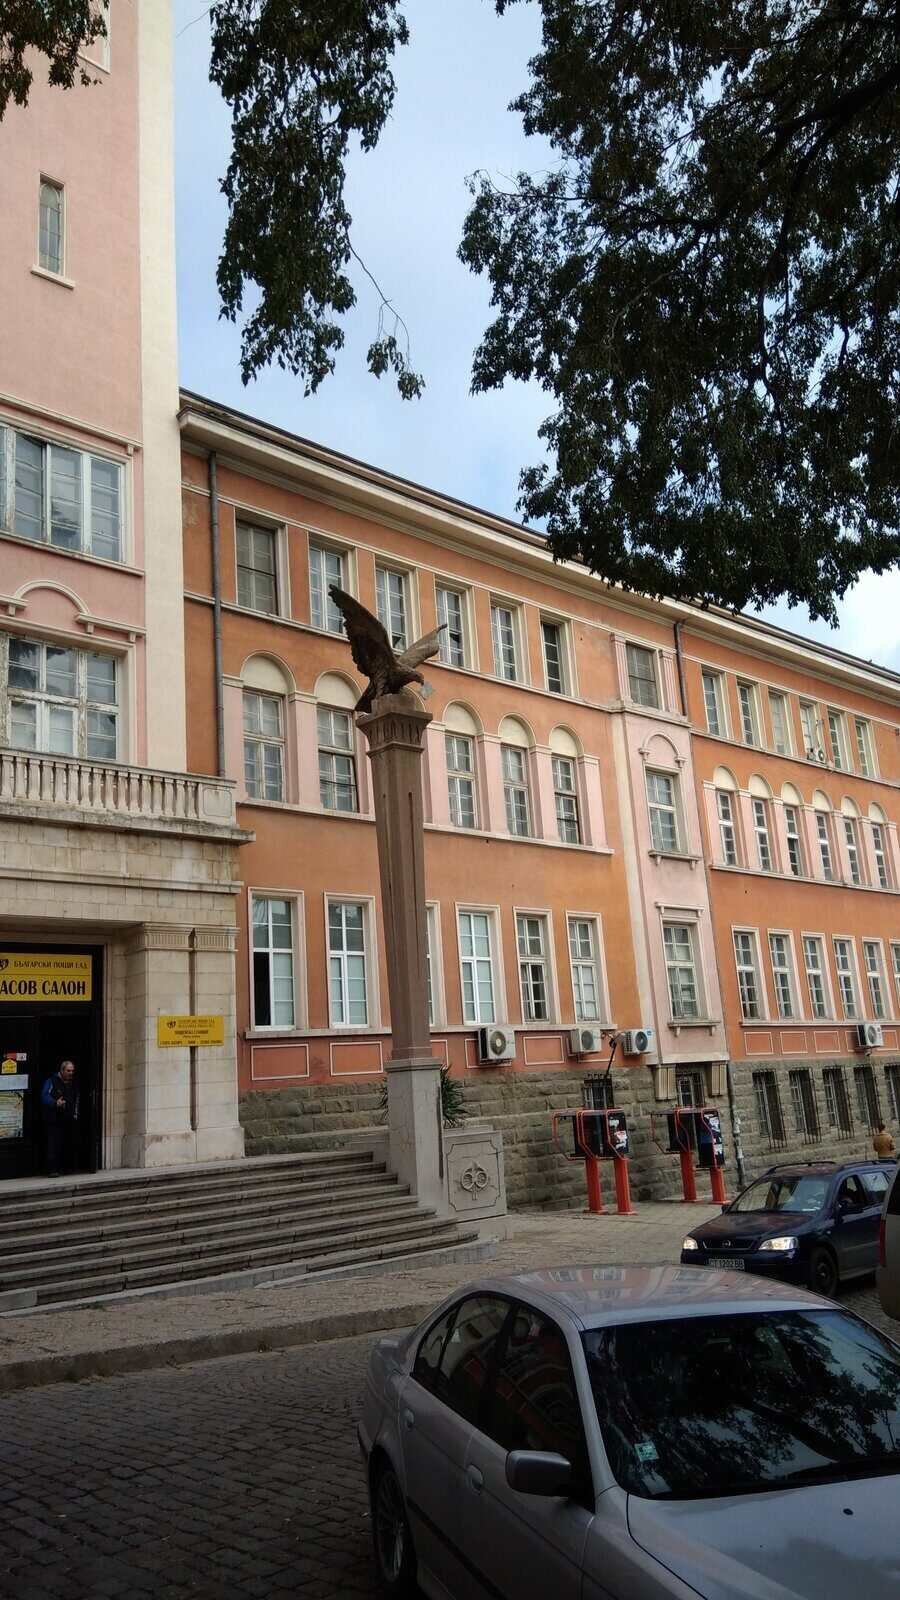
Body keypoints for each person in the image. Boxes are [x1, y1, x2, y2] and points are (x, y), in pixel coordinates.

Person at [41, 1059, 79, 1176]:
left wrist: (75, 1113)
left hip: (68, 1119)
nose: (71, 1073)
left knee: (68, 1143)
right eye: (68, 1071)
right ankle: (53, 1170)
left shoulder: (73, 1083)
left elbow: (76, 1098)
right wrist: (55, 1102)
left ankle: (67, 1168)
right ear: (62, 1070)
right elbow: (44, 1096)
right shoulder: (51, 1081)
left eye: (72, 1071)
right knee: (53, 1144)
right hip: (54, 1119)